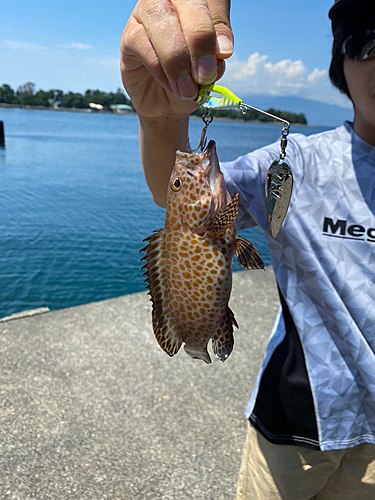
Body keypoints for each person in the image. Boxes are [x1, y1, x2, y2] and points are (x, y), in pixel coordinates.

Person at [121, 0, 375, 498]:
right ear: (340, 64)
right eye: (367, 42)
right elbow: (166, 192)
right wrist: (161, 120)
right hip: (294, 422)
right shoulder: (294, 162)